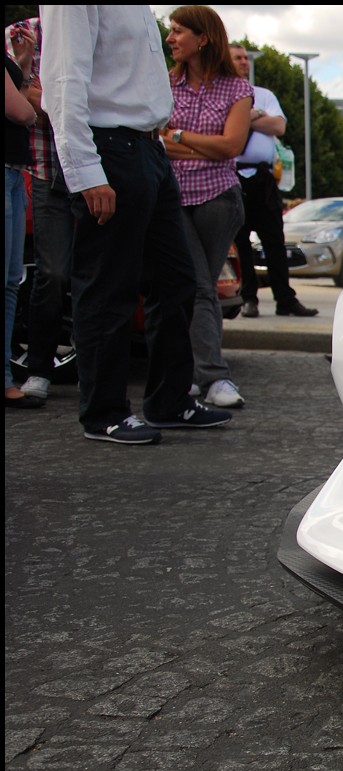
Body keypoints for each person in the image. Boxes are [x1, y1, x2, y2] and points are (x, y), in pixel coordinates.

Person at [40, 4, 232, 443]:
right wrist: (85, 172)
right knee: (108, 287)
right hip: (108, 146)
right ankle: (104, 412)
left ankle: (169, 400)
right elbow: (63, 79)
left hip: (149, 148)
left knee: (176, 279)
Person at [162, 5, 252, 409]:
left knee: (201, 287)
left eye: (178, 31)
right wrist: (202, 142)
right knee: (195, 286)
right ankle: (207, 376)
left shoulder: (236, 90)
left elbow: (232, 146)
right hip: (173, 199)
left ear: (203, 38)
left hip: (218, 199)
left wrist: (180, 135)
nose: (170, 39)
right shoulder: (165, 85)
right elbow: (157, 142)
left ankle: (202, 377)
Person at [7, 17, 73, 404]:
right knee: (51, 272)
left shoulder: (96, 26)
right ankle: (39, 369)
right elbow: (23, 101)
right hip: (46, 169)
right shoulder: (19, 34)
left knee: (95, 273)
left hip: (99, 169)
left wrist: (42, 93)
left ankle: (98, 372)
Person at [228, 43, 316, 319]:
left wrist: (244, 118)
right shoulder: (220, 94)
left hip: (263, 178)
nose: (244, 62)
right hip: (233, 176)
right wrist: (253, 116)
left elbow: (278, 126)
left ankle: (284, 299)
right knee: (240, 241)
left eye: (245, 58)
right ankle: (248, 298)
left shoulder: (263, 95)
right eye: (238, 58)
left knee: (274, 240)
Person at [5, 26, 40, 408]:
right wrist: (28, 109)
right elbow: (22, 109)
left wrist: (23, 66)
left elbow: (23, 94)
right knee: (7, 280)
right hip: (8, 172)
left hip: (14, 172)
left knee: (12, 279)